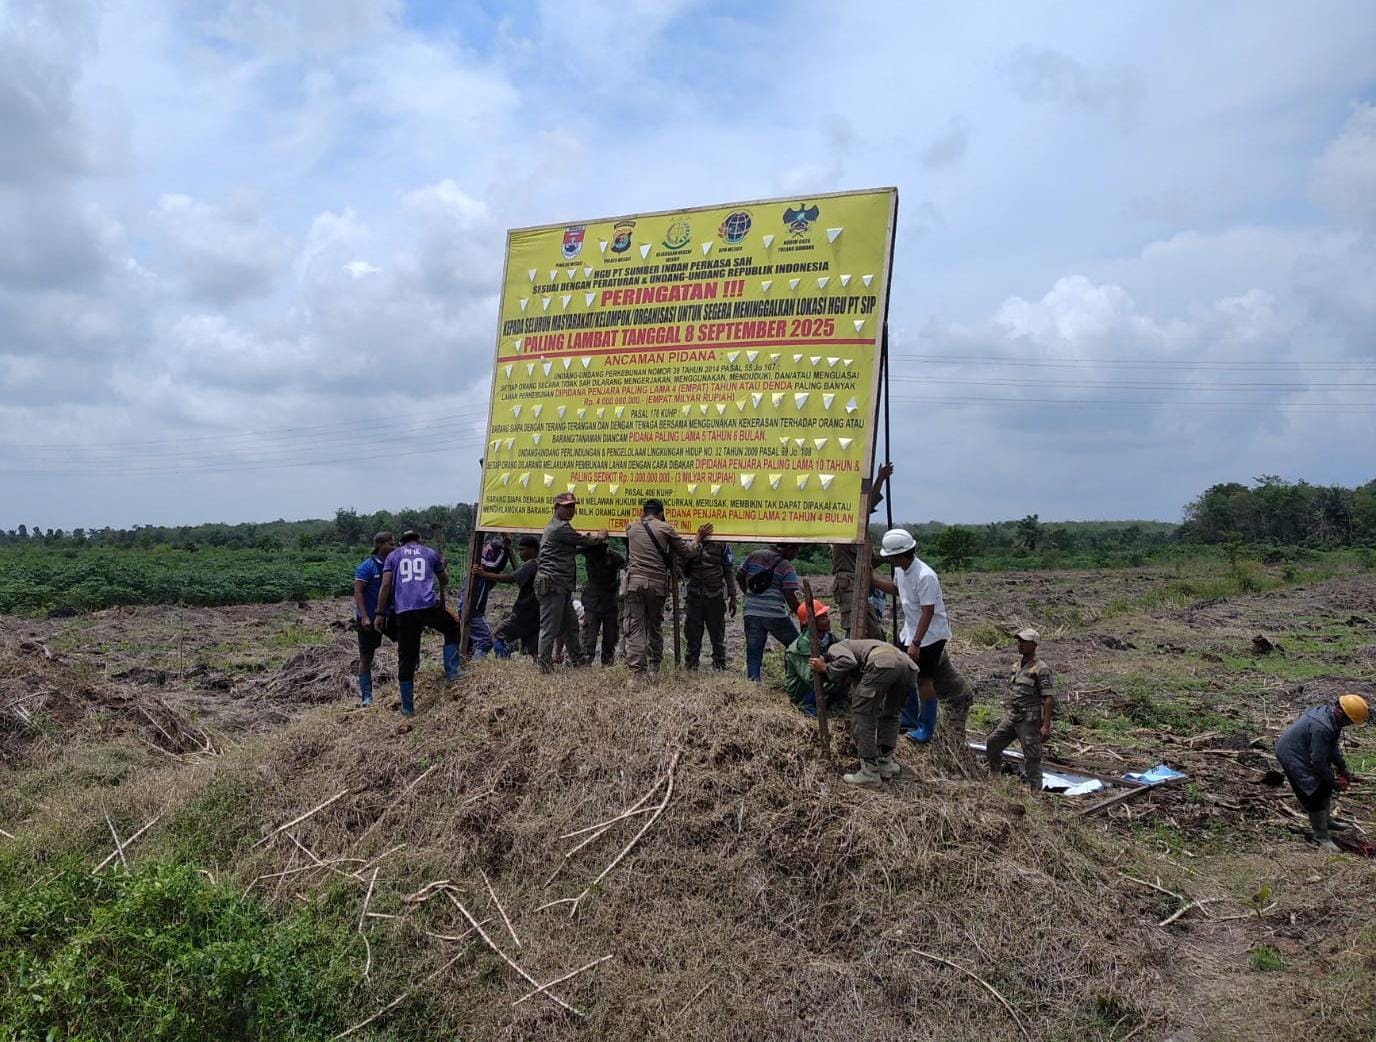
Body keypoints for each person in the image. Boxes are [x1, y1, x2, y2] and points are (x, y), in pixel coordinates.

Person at [871, 529, 950, 741]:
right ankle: (908, 719)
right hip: (910, 630)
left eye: (891, 556)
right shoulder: (901, 570)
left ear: (901, 555)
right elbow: (898, 589)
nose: (888, 559)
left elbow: (928, 611)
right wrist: (873, 580)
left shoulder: (925, 576)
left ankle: (926, 728)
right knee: (904, 674)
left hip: (930, 634)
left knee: (924, 680)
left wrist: (916, 642)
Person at [810, 637, 918, 786]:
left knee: (862, 715)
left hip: (882, 664)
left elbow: (849, 662)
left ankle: (869, 773)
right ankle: (886, 763)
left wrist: (825, 669)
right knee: (891, 714)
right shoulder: (859, 647)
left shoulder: (834, 649)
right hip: (907, 666)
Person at [376, 530, 461, 716]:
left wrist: (380, 612)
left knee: (406, 657)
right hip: (427, 606)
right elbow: (444, 580)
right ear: (418, 540)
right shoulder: (430, 553)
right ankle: (452, 672)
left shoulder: (393, 556)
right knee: (452, 627)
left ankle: (408, 707)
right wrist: (443, 568)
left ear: (401, 542)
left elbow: (386, 586)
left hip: (404, 611)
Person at [624, 499, 710, 681]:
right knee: (654, 626)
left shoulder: (631, 527)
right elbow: (687, 552)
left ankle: (638, 673)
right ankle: (655, 666)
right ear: (661, 513)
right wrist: (698, 538)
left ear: (643, 512)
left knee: (635, 627)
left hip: (634, 583)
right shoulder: (666, 528)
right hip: (656, 585)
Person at [1275, 694, 1367, 850]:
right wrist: (1333, 780)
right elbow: (1318, 760)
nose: (1348, 725)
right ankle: (1321, 836)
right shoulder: (1322, 726)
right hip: (1291, 754)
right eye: (1349, 721)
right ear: (1340, 711)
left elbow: (1331, 748)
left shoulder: (1331, 718)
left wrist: (1342, 767)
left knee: (1324, 784)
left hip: (1304, 750)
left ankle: (1327, 820)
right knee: (1313, 791)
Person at [536, 492, 607, 673]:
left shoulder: (559, 527)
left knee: (570, 625)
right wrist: (600, 537)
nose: (571, 510)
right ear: (556, 507)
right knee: (549, 628)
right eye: (566, 507)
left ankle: (577, 660)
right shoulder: (560, 529)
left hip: (561, 584)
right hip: (553, 583)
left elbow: (574, 546)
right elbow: (584, 541)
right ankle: (544, 666)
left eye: (573, 507)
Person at [985, 629, 1055, 788]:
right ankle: (995, 776)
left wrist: (1046, 725)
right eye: (1019, 641)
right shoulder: (1017, 666)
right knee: (993, 742)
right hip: (1013, 715)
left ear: (1034, 645)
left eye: (1024, 642)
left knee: (1032, 756)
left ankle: (1035, 789)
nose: (1020, 645)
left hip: (1029, 718)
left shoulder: (1040, 668)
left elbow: (1048, 698)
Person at [831, 462, 893, 639]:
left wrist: (890, 557)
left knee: (873, 631)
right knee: (857, 630)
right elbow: (866, 507)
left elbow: (870, 560)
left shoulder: (859, 530)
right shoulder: (846, 523)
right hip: (849, 582)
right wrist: (880, 479)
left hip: (859, 581)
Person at [737, 544, 803, 681]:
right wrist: (803, 614)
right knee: (795, 645)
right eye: (796, 551)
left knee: (754, 651)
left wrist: (749, 595)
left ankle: (753, 683)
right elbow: (790, 596)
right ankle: (791, 679)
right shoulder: (786, 567)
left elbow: (739, 575)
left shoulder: (754, 555)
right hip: (775, 614)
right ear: (789, 548)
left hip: (751, 611)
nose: (796, 555)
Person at [474, 535, 541, 659]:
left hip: (523, 611)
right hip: (536, 614)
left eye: (523, 549)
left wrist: (484, 574)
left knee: (496, 635)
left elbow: (511, 578)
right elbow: (518, 573)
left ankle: (503, 661)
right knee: (533, 651)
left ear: (532, 549)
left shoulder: (532, 564)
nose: (521, 553)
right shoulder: (542, 563)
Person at [352, 531, 397, 707]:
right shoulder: (367, 567)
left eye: (394, 544)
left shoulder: (394, 565)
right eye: (390, 544)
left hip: (389, 616)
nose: (393, 547)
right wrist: (364, 616)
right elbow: (358, 592)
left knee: (407, 645)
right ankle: (367, 696)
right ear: (379, 546)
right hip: (370, 617)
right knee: (366, 657)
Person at [784, 600, 847, 716]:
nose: (828, 620)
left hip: (827, 684)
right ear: (811, 623)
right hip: (804, 693)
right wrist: (839, 682)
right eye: (822, 619)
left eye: (826, 616)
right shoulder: (800, 647)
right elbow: (811, 679)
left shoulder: (830, 639)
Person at [684, 532, 737, 670]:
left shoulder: (722, 543)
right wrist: (695, 543)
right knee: (692, 633)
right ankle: (691, 665)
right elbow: (681, 564)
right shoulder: (689, 542)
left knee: (717, 633)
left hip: (715, 594)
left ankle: (719, 665)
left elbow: (728, 569)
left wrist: (733, 596)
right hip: (694, 594)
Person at [460, 534, 512, 659]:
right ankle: (477, 669)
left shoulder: (483, 569)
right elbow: (496, 567)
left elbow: (496, 569)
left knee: (469, 644)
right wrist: (506, 550)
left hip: (472, 610)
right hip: (471, 610)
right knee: (487, 639)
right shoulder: (480, 565)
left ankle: (466, 667)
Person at [580, 541, 626, 666]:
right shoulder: (589, 554)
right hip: (594, 600)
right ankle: (587, 660)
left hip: (609, 599)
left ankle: (607, 662)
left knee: (610, 636)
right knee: (590, 634)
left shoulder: (613, 556)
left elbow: (624, 564)